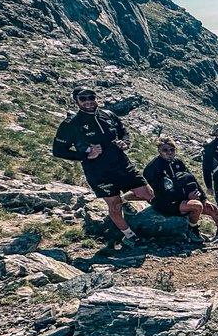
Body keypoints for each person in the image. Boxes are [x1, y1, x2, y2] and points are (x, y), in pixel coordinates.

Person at [52, 86, 154, 246]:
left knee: (148, 194)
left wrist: (124, 143)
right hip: (98, 172)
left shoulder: (108, 114)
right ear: (76, 102)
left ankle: (124, 199)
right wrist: (86, 154)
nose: (88, 102)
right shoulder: (71, 124)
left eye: (91, 97)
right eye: (83, 99)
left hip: (122, 165)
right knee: (114, 205)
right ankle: (129, 236)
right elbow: (58, 150)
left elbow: (123, 131)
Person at [143, 137, 218, 244]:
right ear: (159, 151)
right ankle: (192, 230)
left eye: (172, 149)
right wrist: (186, 198)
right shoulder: (153, 167)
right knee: (196, 206)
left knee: (211, 208)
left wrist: (202, 197)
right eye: (165, 150)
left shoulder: (178, 162)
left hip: (181, 198)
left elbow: (191, 179)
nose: (169, 152)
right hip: (164, 203)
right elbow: (159, 192)